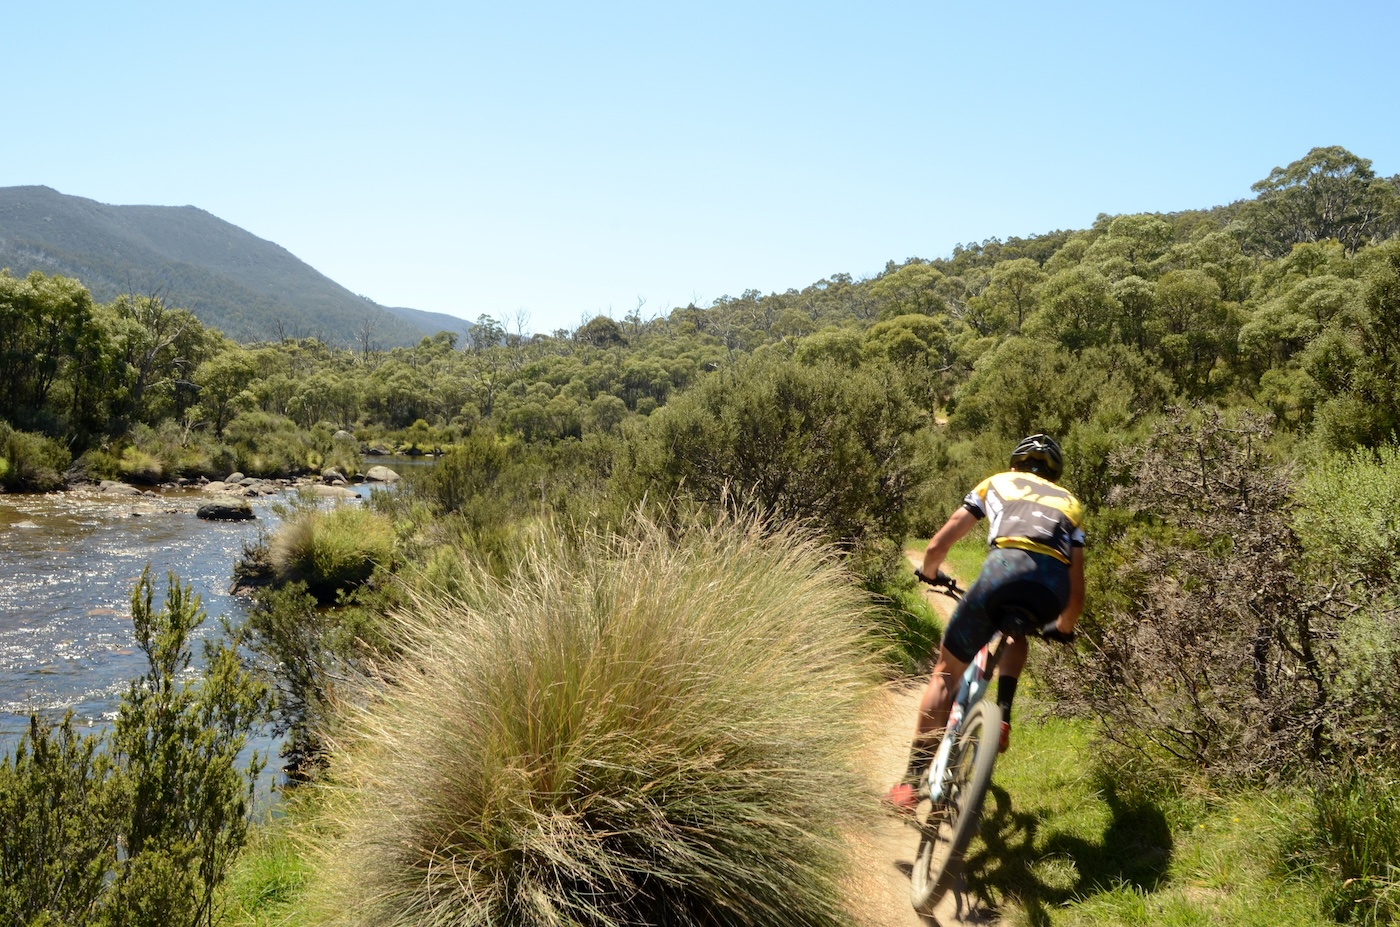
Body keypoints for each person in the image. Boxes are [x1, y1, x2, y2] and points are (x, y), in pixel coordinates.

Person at [886, 433, 1085, 813]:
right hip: (1051, 591)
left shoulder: (997, 482)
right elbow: (1077, 593)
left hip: (1001, 573)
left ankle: (910, 785)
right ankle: (1003, 716)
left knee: (946, 674)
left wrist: (930, 573)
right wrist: (1064, 626)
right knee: (1018, 629)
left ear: (1016, 464)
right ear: (1054, 475)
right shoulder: (1071, 505)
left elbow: (937, 546)